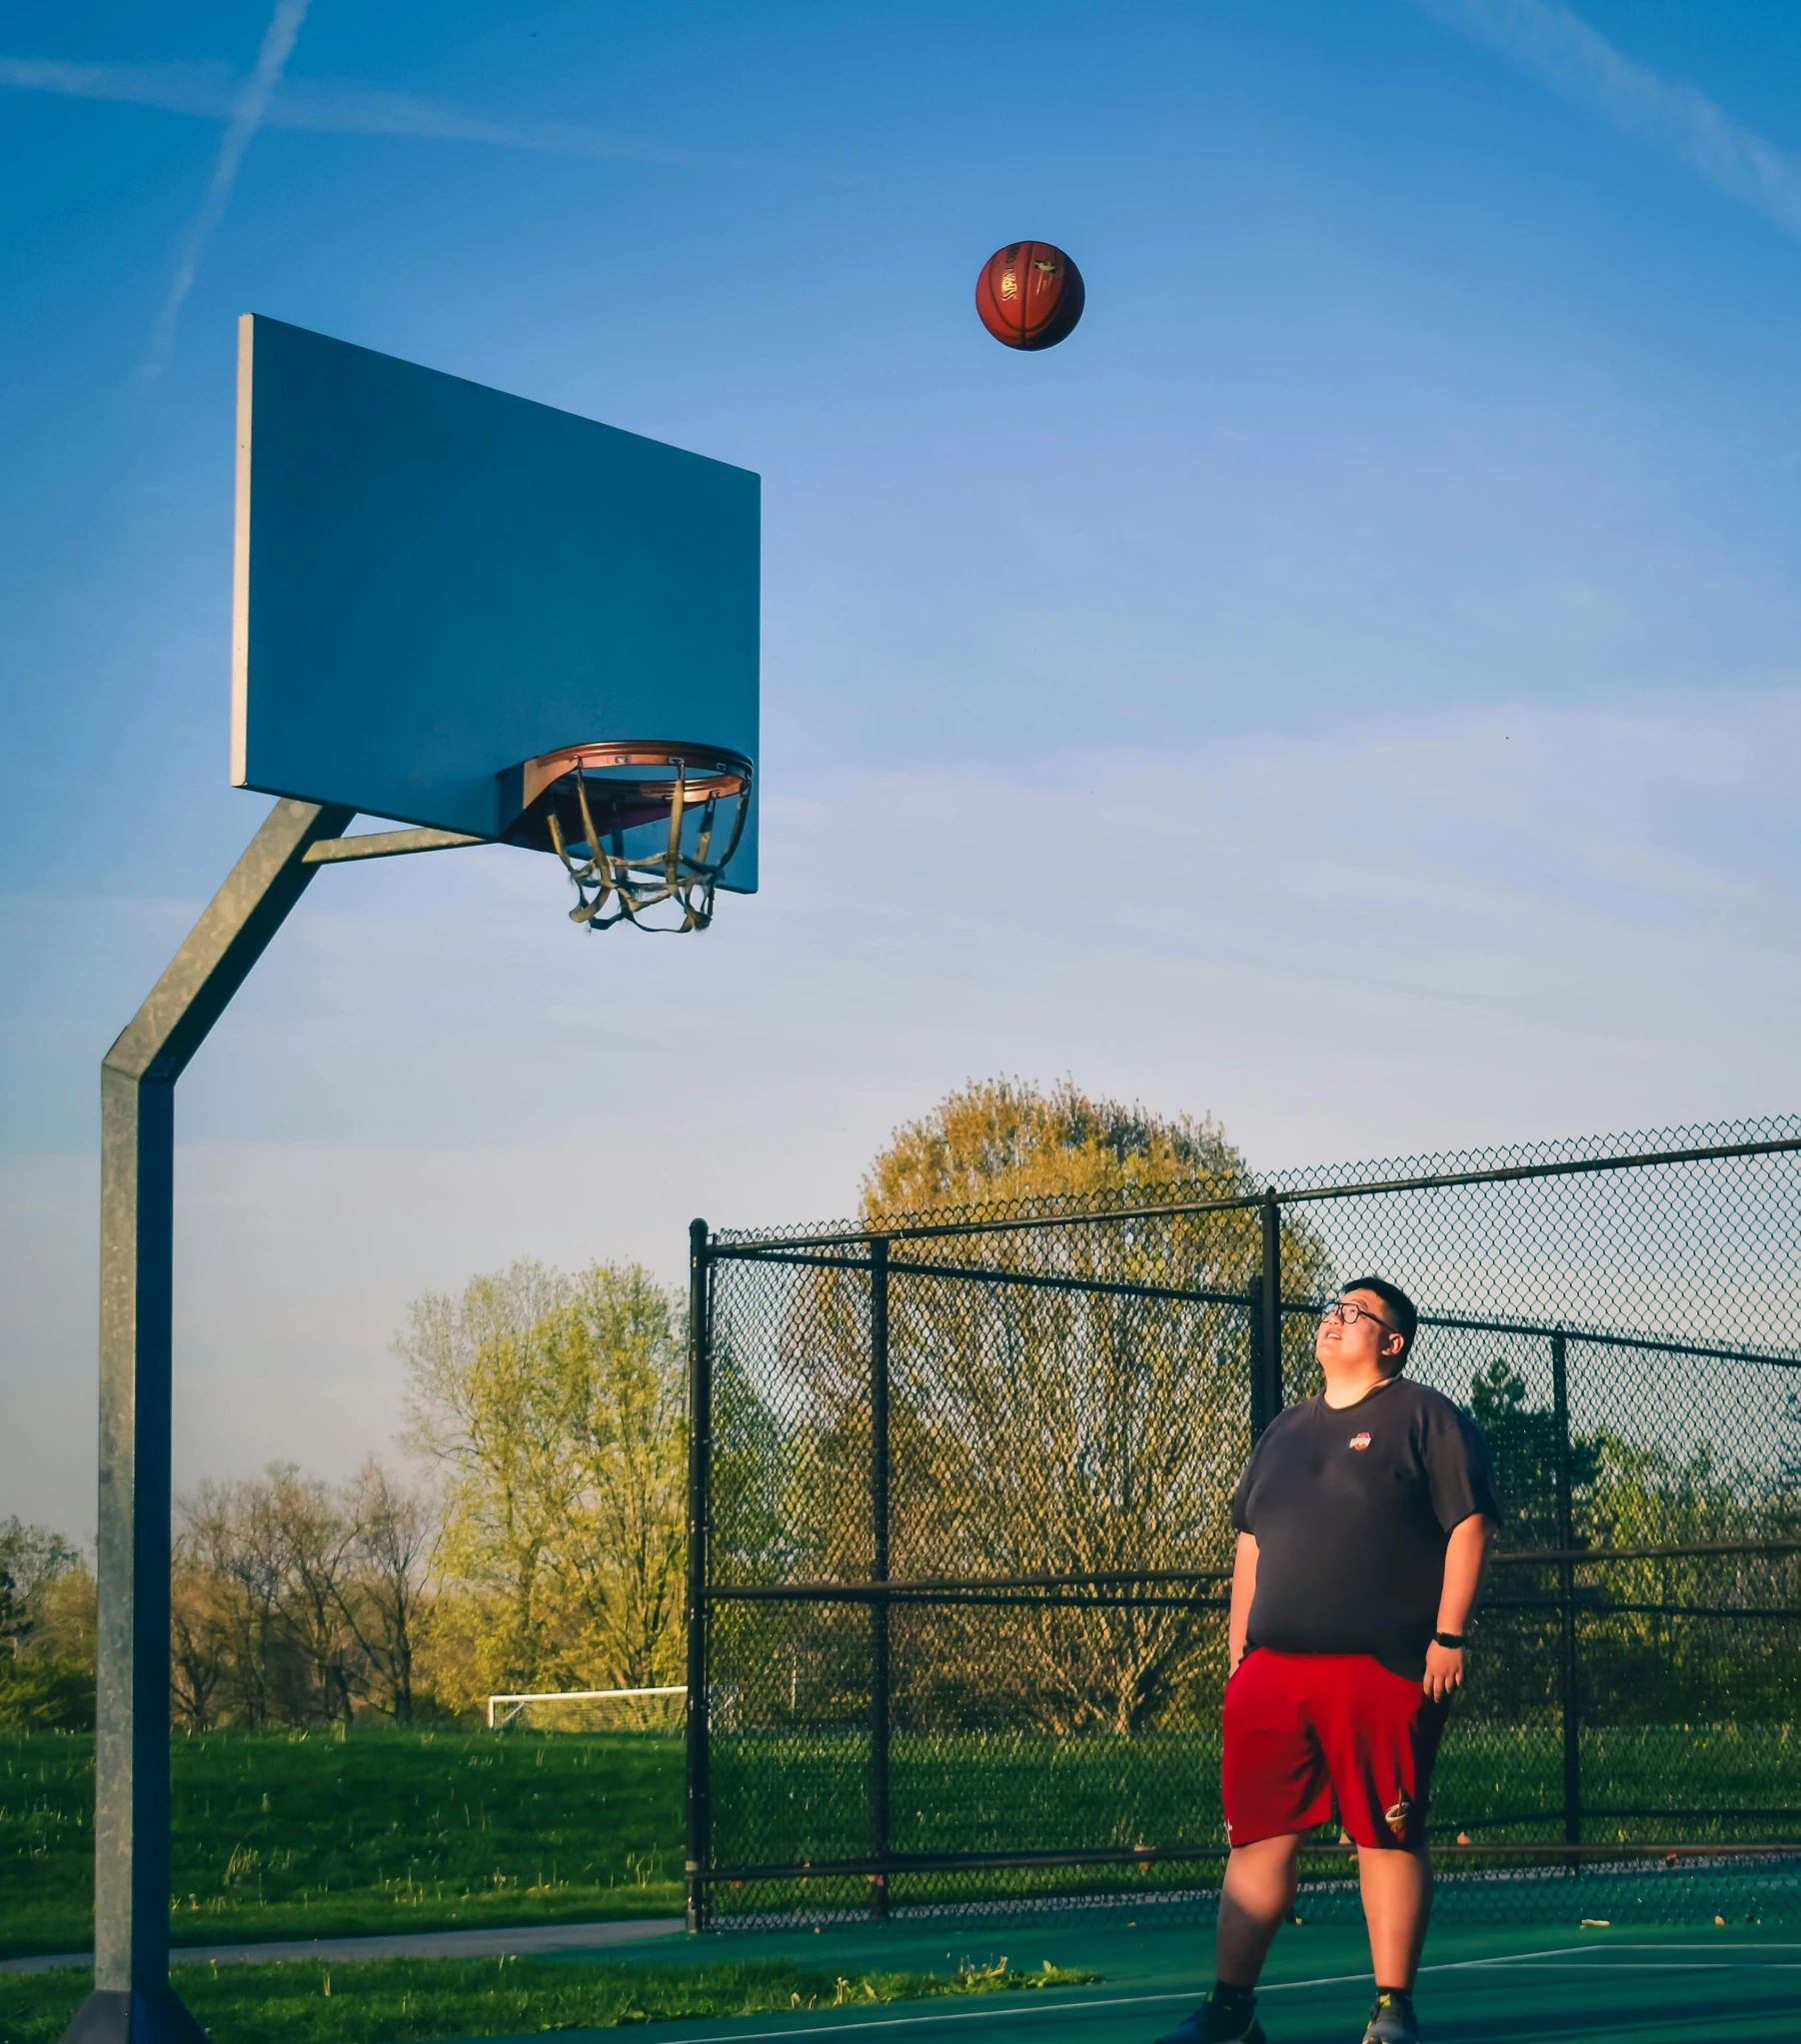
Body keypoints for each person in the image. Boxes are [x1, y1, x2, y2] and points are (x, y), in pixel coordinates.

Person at [1155, 1276, 1500, 2044]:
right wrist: (1240, 1650)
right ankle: (1230, 2011)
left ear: (1393, 1340)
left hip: (1382, 1668)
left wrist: (1448, 1635)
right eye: (1331, 1309)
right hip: (1272, 1677)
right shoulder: (1282, 1428)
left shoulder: (1426, 1417)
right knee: (1256, 1841)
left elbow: (1469, 1524)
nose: (1335, 1320)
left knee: (1388, 1834)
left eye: (1356, 1313)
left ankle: (1391, 2009)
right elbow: (1250, 1539)